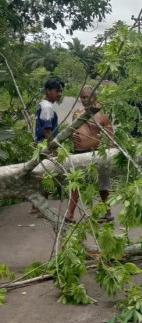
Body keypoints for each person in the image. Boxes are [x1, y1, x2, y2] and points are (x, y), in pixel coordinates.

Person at [64, 86, 114, 224]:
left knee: (102, 185)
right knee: (75, 182)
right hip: (78, 154)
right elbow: (70, 131)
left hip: (95, 154)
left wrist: (109, 152)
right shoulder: (77, 113)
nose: (85, 100)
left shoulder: (102, 114)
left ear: (95, 97)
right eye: (83, 97)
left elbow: (111, 136)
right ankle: (69, 214)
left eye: (88, 97)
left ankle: (107, 212)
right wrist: (72, 135)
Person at [30, 78, 62, 215]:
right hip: (46, 147)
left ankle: (36, 206)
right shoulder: (47, 107)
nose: (59, 94)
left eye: (61, 91)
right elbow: (47, 131)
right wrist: (54, 149)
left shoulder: (42, 105)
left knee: (40, 175)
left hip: (40, 145)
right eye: (57, 91)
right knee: (48, 176)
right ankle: (40, 207)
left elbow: (40, 127)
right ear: (48, 91)